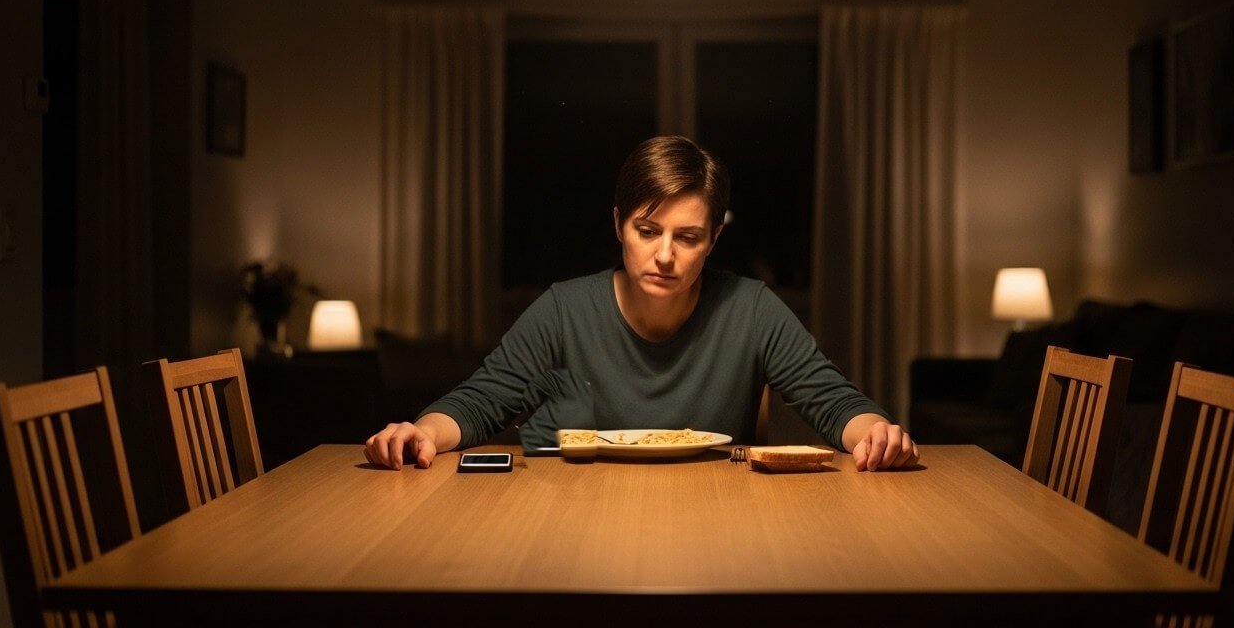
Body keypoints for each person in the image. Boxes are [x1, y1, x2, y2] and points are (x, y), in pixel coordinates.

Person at [363, 134, 918, 472]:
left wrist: (876, 433)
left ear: (715, 241)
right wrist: (421, 433)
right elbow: (484, 398)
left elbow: (831, 400)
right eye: (647, 230)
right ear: (618, 225)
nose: (665, 256)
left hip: (722, 524)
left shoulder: (751, 308)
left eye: (688, 237)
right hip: (580, 518)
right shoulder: (565, 308)